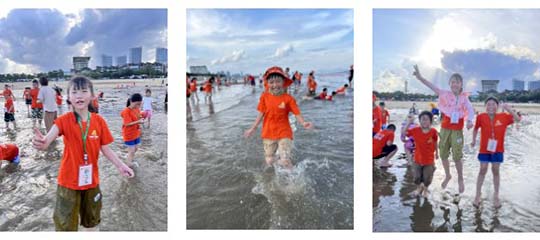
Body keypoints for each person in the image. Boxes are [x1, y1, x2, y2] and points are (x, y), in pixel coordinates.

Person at [32, 76, 134, 231]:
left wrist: (121, 165)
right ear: (69, 98)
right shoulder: (64, 120)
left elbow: (105, 148)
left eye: (84, 91)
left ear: (92, 96)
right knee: (65, 224)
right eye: (74, 92)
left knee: (92, 221)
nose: (79, 95)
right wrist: (42, 143)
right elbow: (48, 139)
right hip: (68, 182)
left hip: (91, 181)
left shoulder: (99, 121)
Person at [413, 65, 474, 194]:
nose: (454, 84)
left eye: (457, 82)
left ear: (461, 84)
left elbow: (470, 109)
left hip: (457, 131)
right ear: (449, 84)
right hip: (445, 129)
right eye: (452, 82)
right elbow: (431, 86)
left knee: (457, 156)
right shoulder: (444, 94)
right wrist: (419, 78)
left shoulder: (464, 97)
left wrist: (469, 121)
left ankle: (460, 179)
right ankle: (447, 175)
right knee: (443, 154)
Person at [244, 66, 313, 169]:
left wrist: (303, 123)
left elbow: (296, 112)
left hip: (284, 132)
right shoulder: (264, 97)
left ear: (283, 82)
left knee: (285, 160)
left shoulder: (288, 98)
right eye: (271, 82)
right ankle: (274, 170)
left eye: (278, 82)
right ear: (267, 84)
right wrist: (252, 128)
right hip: (268, 132)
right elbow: (261, 114)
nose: (275, 85)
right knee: (269, 160)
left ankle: (293, 180)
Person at [471, 96, 520, 208]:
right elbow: (475, 129)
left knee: (495, 171)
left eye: (494, 104)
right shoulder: (481, 116)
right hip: (484, 149)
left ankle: (496, 195)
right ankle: (478, 195)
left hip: (498, 150)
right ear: (485, 106)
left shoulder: (503, 117)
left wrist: (509, 109)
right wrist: (473, 140)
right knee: (482, 169)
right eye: (489, 104)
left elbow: (517, 119)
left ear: (497, 106)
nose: (491, 106)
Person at [403, 111, 438, 198]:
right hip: (417, 159)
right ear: (419, 121)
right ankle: (419, 188)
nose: (424, 121)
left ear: (431, 121)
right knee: (416, 177)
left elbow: (435, 142)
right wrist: (409, 122)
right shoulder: (415, 130)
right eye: (422, 119)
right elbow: (404, 133)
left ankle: (425, 189)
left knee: (427, 178)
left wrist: (437, 153)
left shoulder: (433, 131)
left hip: (429, 160)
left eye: (426, 120)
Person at [121, 93, 143, 167]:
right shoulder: (126, 111)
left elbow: (139, 116)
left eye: (139, 104)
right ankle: (128, 166)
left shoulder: (137, 109)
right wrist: (138, 121)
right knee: (132, 151)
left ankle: (128, 157)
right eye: (137, 104)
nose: (138, 106)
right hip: (129, 134)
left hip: (136, 133)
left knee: (135, 148)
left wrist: (142, 117)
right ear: (131, 101)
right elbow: (127, 124)